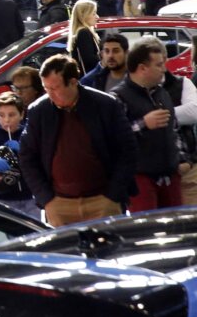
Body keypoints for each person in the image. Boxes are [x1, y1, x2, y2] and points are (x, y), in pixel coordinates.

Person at [18, 54, 136, 227]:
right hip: (59, 204)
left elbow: (127, 150)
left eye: (55, 88)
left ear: (73, 82)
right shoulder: (39, 110)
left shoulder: (105, 105)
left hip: (102, 201)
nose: (50, 94)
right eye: (46, 88)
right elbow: (27, 157)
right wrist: (46, 199)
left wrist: (113, 194)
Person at [112, 38, 185, 212]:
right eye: (159, 65)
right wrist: (143, 124)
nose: (164, 69)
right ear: (142, 68)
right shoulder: (118, 97)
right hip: (140, 178)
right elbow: (113, 139)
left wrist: (182, 157)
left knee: (177, 230)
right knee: (147, 232)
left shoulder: (162, 93)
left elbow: (174, 129)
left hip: (170, 175)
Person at [68, 0, 101, 77]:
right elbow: (89, 60)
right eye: (93, 14)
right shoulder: (84, 32)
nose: (97, 17)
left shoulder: (80, 31)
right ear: (83, 15)